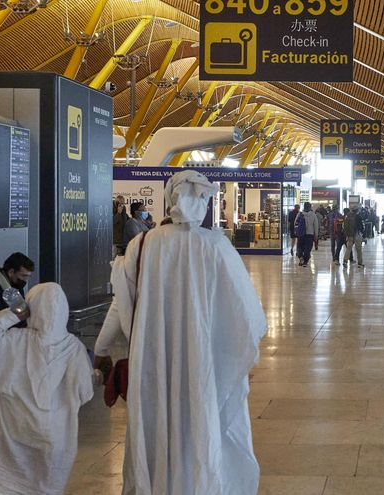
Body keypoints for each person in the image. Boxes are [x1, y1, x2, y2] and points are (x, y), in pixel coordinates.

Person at [94, 170, 267, 494]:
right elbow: (248, 317)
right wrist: (237, 358)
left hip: (154, 362)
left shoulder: (142, 244)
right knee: (202, 427)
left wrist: (104, 348)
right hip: (206, 367)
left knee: (156, 429)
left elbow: (122, 304)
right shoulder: (216, 246)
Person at [0, 282, 94, 495]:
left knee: (6, 486)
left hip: (11, 438)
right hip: (54, 437)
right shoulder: (73, 348)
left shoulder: (13, 341)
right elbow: (85, 392)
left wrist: (15, 314)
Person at [296, 202, 319, 267]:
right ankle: (305, 262)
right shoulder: (313, 215)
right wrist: (316, 235)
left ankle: (301, 258)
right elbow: (316, 226)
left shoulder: (300, 214)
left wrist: (296, 232)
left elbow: (296, 224)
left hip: (301, 234)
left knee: (299, 247)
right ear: (310, 207)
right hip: (310, 234)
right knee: (307, 248)